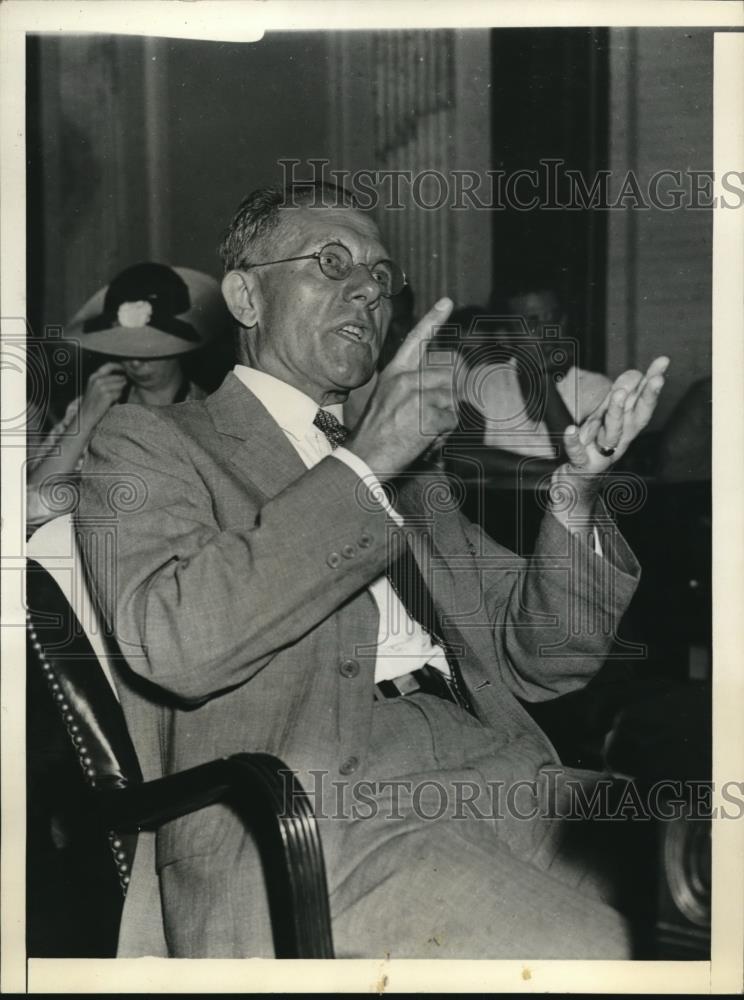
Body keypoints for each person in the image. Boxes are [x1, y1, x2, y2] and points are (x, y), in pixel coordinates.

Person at [77, 182, 669, 960]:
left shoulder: (414, 478)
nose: (368, 289)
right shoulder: (149, 444)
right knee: (602, 955)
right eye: (332, 262)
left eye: (382, 277)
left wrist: (575, 491)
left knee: (702, 877)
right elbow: (179, 640)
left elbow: (546, 661)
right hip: (318, 813)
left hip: (503, 773)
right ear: (246, 296)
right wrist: (362, 465)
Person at [26, 262, 228, 531]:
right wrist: (85, 419)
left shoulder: (208, 415)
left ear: (181, 348)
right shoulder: (92, 405)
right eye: (123, 348)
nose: (134, 362)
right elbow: (29, 508)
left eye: (149, 349)